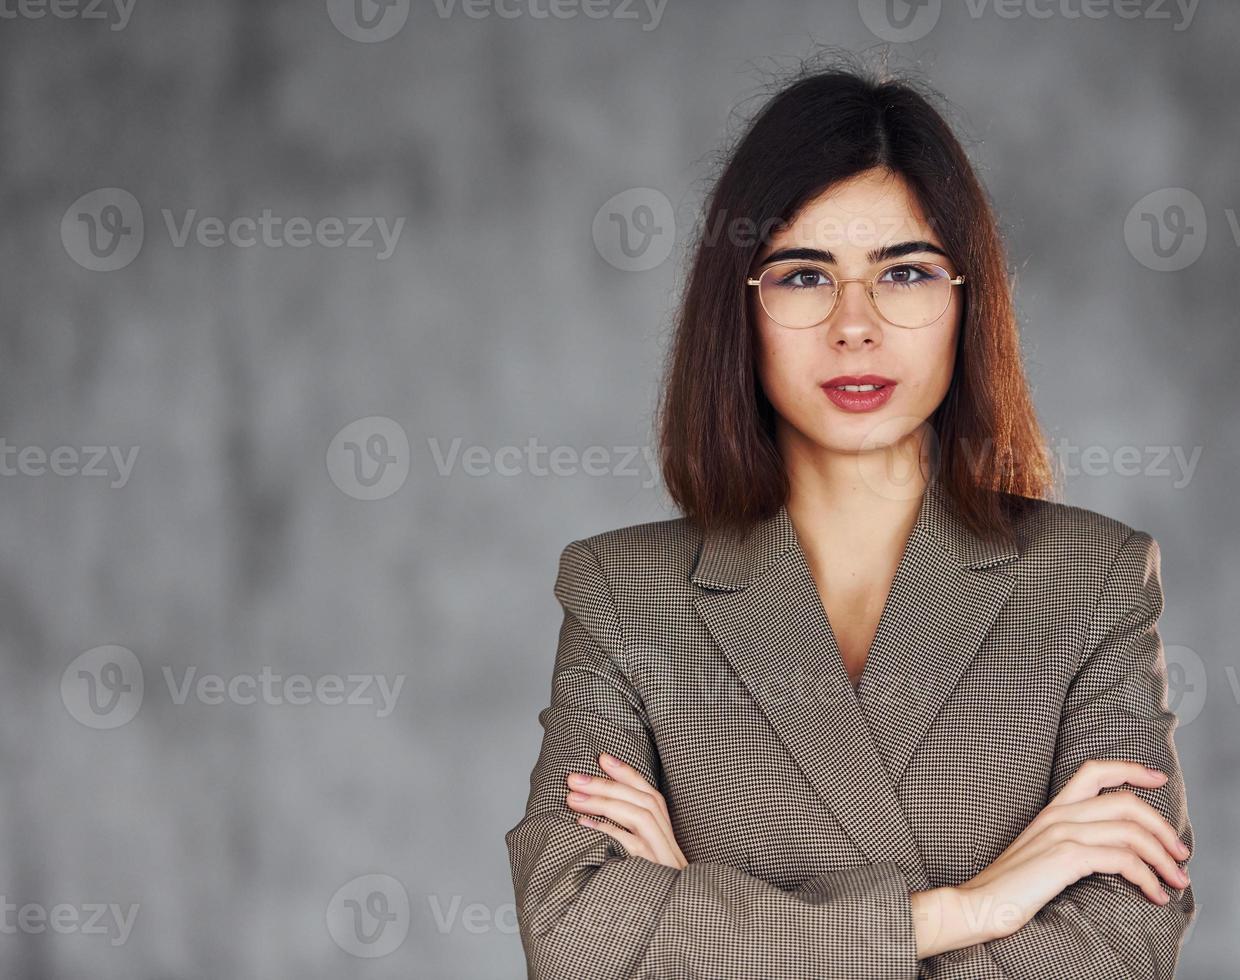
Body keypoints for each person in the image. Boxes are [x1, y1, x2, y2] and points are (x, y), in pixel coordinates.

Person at [505, 62, 1195, 979]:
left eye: (904, 272)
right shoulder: (624, 597)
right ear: (738, 308)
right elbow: (575, 937)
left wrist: (696, 926)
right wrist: (967, 909)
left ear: (964, 297)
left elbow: (1121, 946)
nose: (854, 325)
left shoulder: (1092, 581)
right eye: (803, 276)